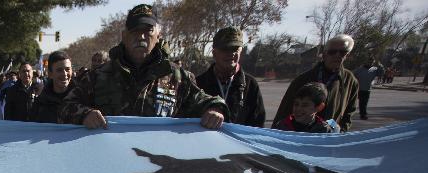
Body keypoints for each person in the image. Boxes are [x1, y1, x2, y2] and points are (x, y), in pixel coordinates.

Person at [60, 4, 227, 129]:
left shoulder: (177, 77)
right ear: (124, 36)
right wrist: (84, 115)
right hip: (108, 164)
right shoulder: (98, 76)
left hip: (155, 168)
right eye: (134, 31)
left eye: (148, 31)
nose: (140, 36)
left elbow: (207, 102)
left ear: (158, 35)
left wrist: (215, 110)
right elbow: (65, 107)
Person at [272, 34, 358, 132]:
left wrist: (340, 132)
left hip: (329, 134)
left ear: (347, 55)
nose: (337, 55)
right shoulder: (303, 79)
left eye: (342, 52)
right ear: (324, 54)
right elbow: (285, 110)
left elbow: (349, 113)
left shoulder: (350, 81)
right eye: (332, 52)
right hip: (301, 133)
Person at [194, 27, 265, 127]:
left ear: (240, 52)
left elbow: (257, 124)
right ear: (214, 53)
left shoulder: (250, 84)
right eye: (225, 49)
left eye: (235, 49)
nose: (231, 54)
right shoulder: (198, 83)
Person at [29, 51, 74, 123]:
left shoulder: (83, 98)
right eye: (59, 70)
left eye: (67, 69)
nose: (64, 74)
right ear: (50, 74)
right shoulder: (40, 104)